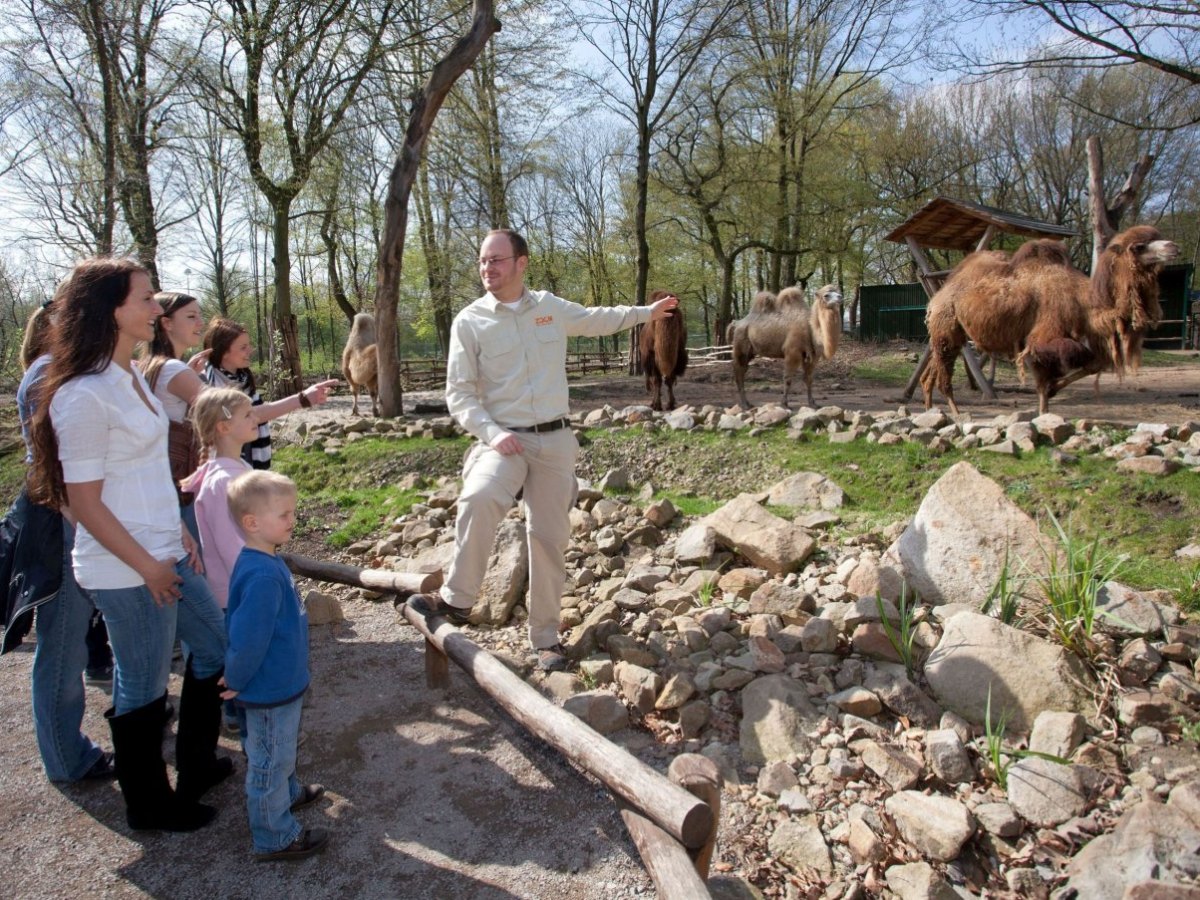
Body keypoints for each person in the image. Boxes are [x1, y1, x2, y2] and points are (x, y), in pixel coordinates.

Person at [410, 228, 679, 672]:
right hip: (503, 438)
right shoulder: (470, 321)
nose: (487, 269)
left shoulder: (550, 308)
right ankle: (457, 599)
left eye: (496, 260)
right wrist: (491, 433)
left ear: (521, 263)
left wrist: (647, 313)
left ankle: (546, 639)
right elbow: (459, 395)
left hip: (556, 441)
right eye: (482, 261)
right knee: (478, 497)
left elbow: (599, 318)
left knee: (549, 537)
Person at [28, 257, 231, 832]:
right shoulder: (82, 395)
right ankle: (148, 803)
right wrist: (147, 565)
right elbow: (84, 502)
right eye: (145, 299)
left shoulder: (129, 380)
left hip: (163, 550)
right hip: (126, 567)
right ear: (111, 310)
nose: (155, 308)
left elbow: (146, 472)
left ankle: (195, 766)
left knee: (213, 644)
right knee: (141, 681)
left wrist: (180, 533)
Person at [13, 299, 112, 783]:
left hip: (74, 515)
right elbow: (53, 470)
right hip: (60, 521)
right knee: (64, 641)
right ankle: (67, 758)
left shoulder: (57, 372)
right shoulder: (47, 375)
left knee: (74, 635)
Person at [221, 470, 327, 862]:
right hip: (268, 687)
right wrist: (235, 677)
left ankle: (287, 792)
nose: (292, 520)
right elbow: (248, 639)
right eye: (284, 514)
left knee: (280, 746)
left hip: (282, 682)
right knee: (269, 756)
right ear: (252, 523)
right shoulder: (263, 574)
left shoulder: (265, 559)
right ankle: (274, 834)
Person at [182, 388, 259, 734]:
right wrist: (261, 584)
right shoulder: (223, 480)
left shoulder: (234, 468)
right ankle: (248, 724)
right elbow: (233, 548)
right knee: (243, 659)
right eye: (246, 415)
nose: (255, 418)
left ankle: (239, 715)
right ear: (223, 427)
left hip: (240, 586)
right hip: (237, 591)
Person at [199, 318, 338, 470]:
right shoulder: (206, 382)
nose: (250, 350)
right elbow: (250, 414)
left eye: (249, 345)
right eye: (243, 347)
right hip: (224, 466)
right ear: (224, 352)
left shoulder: (242, 379)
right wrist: (301, 399)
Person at [139, 291, 209, 538]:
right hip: (180, 484)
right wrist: (300, 399)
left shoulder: (149, 365)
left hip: (160, 481)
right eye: (191, 316)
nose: (200, 323)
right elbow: (226, 411)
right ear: (166, 323)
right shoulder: (172, 369)